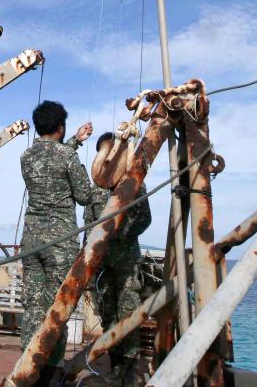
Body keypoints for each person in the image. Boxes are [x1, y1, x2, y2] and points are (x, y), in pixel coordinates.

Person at [19, 101, 93, 386]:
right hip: (59, 242)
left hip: (32, 239)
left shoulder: (26, 156)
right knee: (58, 307)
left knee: (33, 307)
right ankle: (50, 375)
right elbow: (84, 195)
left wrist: (75, 140)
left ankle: (27, 369)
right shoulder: (67, 157)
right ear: (60, 127)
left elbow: (50, 156)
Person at [84, 132, 152, 387]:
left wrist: (122, 235)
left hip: (125, 262)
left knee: (129, 313)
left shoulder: (134, 184)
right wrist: (88, 257)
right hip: (101, 263)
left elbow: (145, 218)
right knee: (108, 315)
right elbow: (88, 225)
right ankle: (116, 366)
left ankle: (131, 370)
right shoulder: (96, 190)